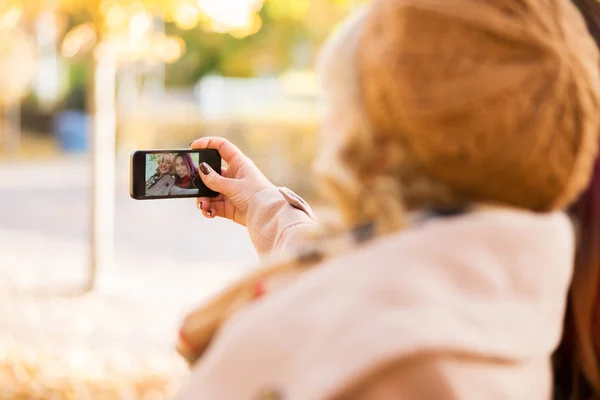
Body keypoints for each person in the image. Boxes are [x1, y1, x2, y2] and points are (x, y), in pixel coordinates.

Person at [176, 1, 600, 399]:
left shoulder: (320, 345)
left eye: (339, 98)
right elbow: (392, 269)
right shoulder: (513, 303)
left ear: (375, 143)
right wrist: (266, 208)